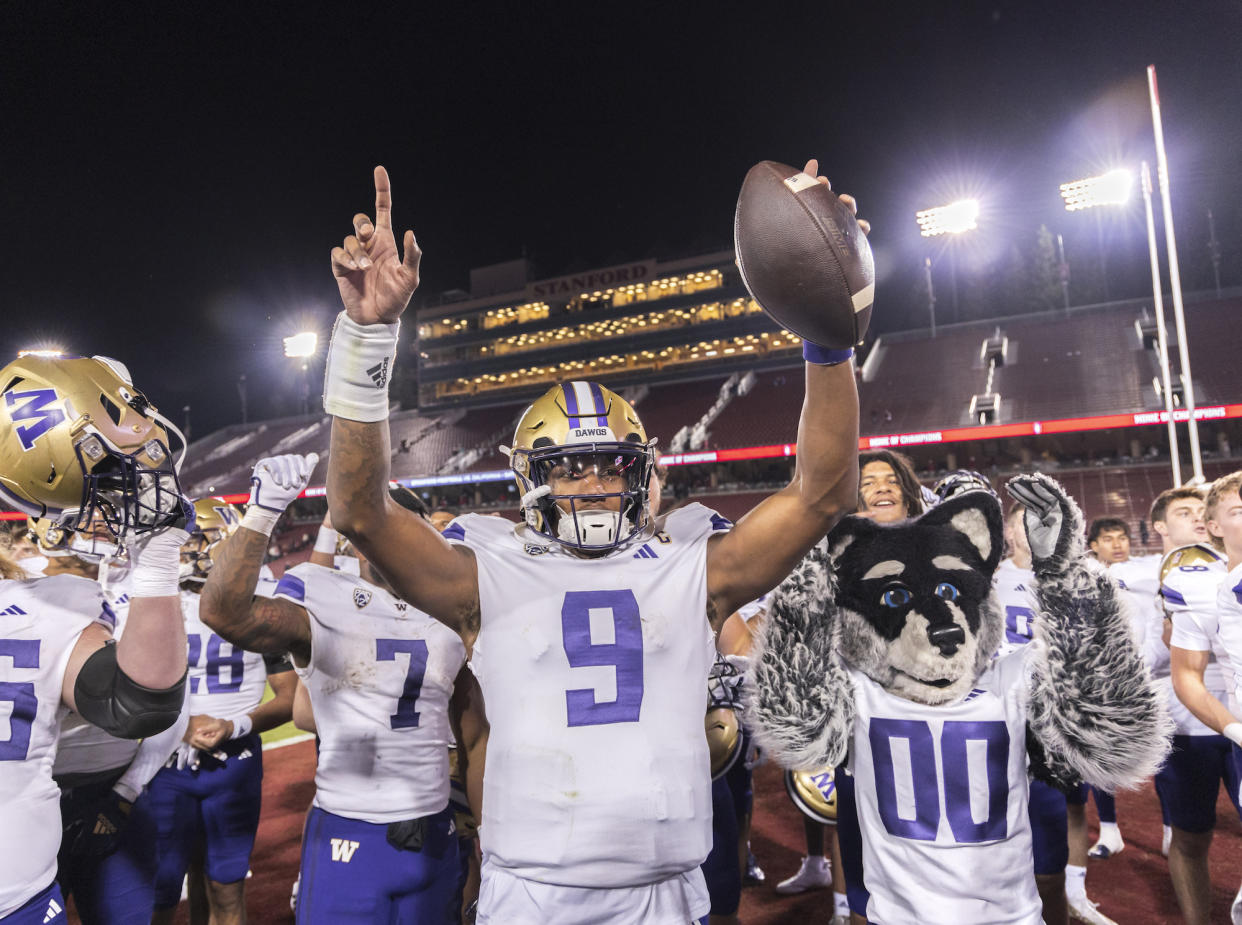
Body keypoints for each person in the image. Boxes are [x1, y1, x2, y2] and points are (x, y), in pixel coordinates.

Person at [321, 164, 862, 924]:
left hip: (668, 889)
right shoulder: (488, 574)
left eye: (611, 465)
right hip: (533, 893)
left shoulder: (690, 568)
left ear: (642, 476)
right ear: (529, 482)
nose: (592, 484)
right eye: (568, 468)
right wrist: (368, 336)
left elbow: (823, 493)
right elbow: (360, 511)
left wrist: (829, 342)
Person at [199, 456, 479, 923]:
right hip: (351, 825)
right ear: (359, 544)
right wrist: (263, 511)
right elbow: (225, 612)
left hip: (435, 823)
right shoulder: (323, 592)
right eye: (379, 534)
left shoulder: (454, 610)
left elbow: (474, 727)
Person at [0, 354, 190, 923]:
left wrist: (125, 792)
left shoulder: (50, 606)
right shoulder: (42, 599)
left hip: (35, 869)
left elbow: (145, 705)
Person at [146, 495, 298, 925]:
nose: (187, 549)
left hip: (233, 764)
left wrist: (233, 725)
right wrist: (180, 725)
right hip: (165, 765)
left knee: (226, 889)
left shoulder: (259, 602)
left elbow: (290, 699)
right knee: (161, 892)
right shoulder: (155, 601)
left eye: (199, 539)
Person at [51, 533, 190, 925]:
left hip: (114, 787)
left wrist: (124, 794)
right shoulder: (22, 592)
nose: (97, 521)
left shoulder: (140, 592)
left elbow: (174, 706)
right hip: (34, 796)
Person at [1168, 473, 1242, 924]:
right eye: (1238, 511)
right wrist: (1237, 731)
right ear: (1212, 526)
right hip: (1218, 734)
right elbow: (1187, 676)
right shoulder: (1197, 585)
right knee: (1192, 832)